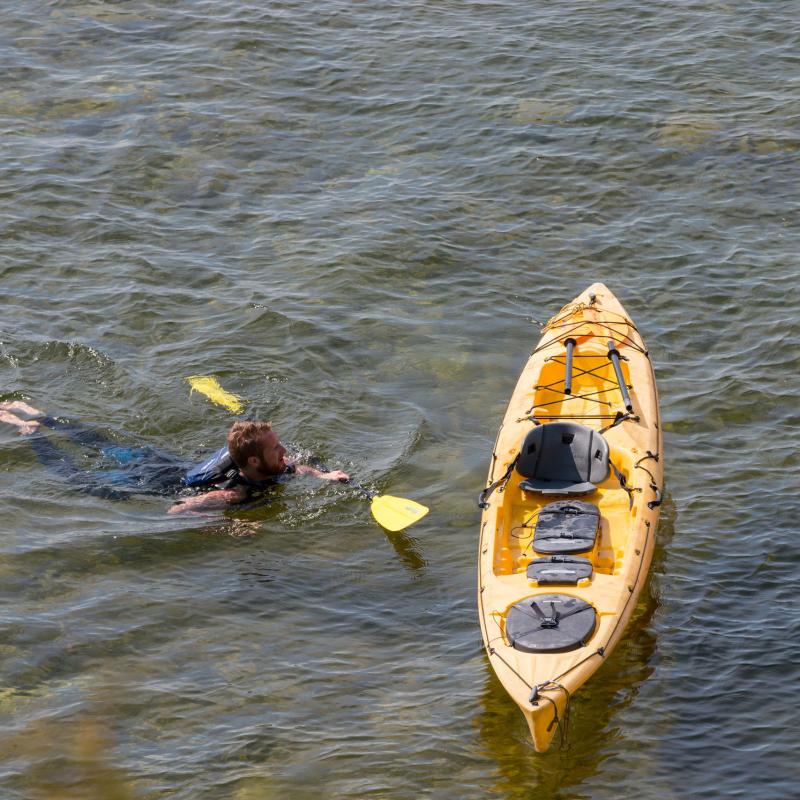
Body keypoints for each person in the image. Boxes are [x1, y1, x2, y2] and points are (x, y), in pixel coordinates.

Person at [0, 401, 348, 513]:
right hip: (152, 478)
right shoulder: (233, 492)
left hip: (165, 460)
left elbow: (298, 468)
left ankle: (41, 415)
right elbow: (176, 510)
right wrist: (231, 524)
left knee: (104, 445)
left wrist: (325, 476)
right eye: (277, 449)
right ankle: (32, 430)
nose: (284, 453)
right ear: (254, 462)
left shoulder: (275, 466)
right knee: (78, 478)